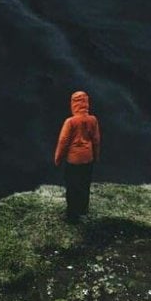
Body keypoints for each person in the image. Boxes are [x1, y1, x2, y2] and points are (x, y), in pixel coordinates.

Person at [54, 91, 100, 223]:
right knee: (85, 183)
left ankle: (72, 215)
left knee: (72, 185)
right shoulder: (93, 120)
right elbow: (96, 140)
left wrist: (58, 158)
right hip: (88, 158)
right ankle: (83, 209)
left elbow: (63, 141)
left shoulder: (70, 122)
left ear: (73, 104)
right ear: (86, 103)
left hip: (73, 160)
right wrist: (96, 156)